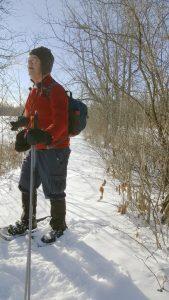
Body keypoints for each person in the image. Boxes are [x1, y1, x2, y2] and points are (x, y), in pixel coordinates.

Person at [8, 46, 70, 243]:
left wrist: (45, 136)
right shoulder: (34, 91)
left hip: (55, 149)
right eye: (29, 60)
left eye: (34, 60)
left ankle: (59, 227)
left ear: (44, 64)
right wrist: (22, 128)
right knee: (26, 184)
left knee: (54, 189)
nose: (29, 63)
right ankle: (28, 222)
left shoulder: (56, 90)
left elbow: (61, 123)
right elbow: (30, 118)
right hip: (37, 148)